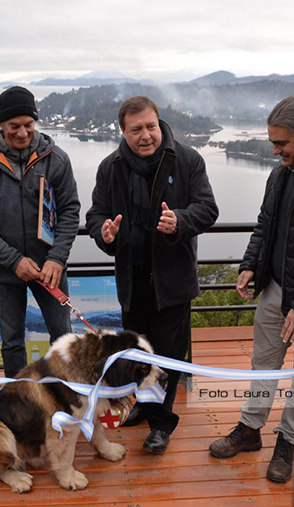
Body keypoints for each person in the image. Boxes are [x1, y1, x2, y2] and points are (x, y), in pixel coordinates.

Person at [86, 96, 218, 453]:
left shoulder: (187, 160)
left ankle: (161, 425)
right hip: (133, 282)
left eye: (151, 127)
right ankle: (143, 406)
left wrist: (180, 221)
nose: (146, 136)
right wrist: (104, 233)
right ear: (123, 131)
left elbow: (207, 209)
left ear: (159, 124)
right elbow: (95, 214)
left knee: (167, 357)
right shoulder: (111, 167)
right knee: (138, 354)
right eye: (136, 130)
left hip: (172, 282)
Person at [209, 95, 294, 483]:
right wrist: (249, 266)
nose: (275, 150)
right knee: (263, 364)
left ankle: (288, 442)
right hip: (274, 291)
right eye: (272, 142)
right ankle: (250, 430)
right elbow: (264, 226)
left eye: (282, 143)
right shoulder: (280, 174)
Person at [0, 86, 80, 378]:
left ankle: (64, 394)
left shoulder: (56, 159)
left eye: (28, 125)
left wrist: (57, 258)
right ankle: (17, 401)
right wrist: (14, 261)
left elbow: (70, 211)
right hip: (6, 272)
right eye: (14, 126)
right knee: (12, 340)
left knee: (62, 336)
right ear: (1, 125)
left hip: (49, 268)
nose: (22, 133)